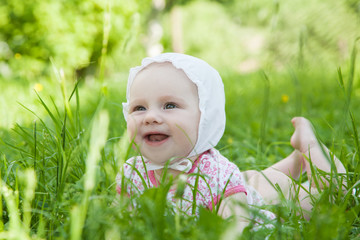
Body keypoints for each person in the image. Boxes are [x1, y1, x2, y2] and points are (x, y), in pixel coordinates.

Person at [115, 53, 346, 234]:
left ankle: (312, 149)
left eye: (169, 106)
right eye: (139, 108)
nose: (150, 117)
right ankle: (296, 160)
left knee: (331, 198)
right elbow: (122, 221)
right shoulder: (132, 173)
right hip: (245, 182)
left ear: (205, 117)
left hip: (264, 203)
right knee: (255, 180)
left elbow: (238, 225)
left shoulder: (216, 173)